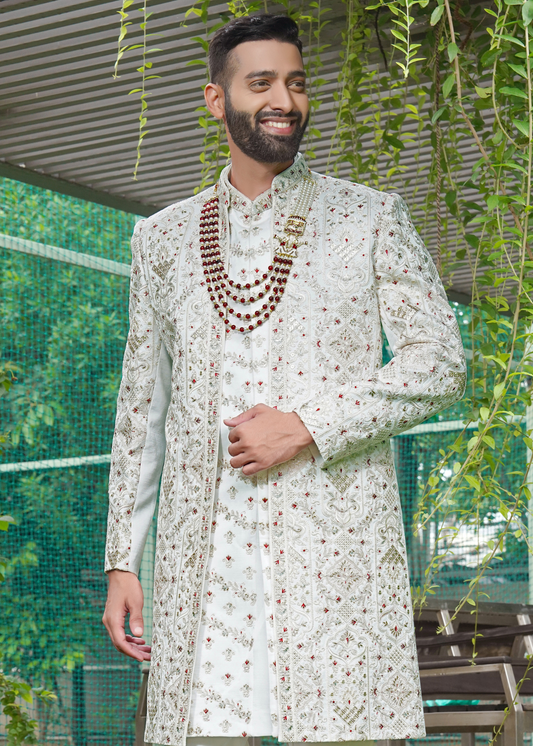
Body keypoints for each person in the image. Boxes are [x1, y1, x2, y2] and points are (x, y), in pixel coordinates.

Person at [102, 13, 466, 746]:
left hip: (331, 562)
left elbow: (439, 361)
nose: (284, 99)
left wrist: (306, 425)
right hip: (202, 569)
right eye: (261, 82)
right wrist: (121, 560)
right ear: (216, 99)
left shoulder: (368, 218)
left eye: (296, 83)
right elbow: (143, 406)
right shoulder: (162, 238)